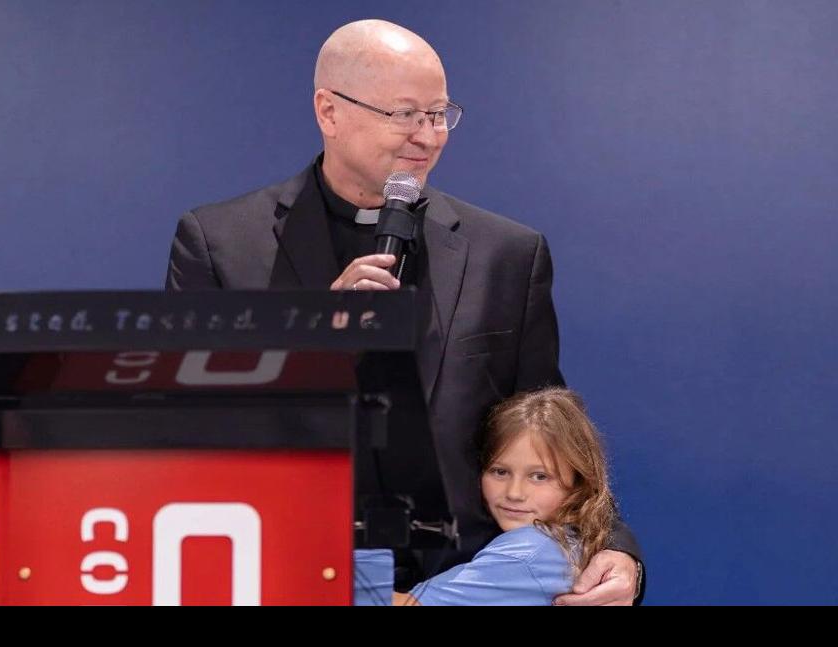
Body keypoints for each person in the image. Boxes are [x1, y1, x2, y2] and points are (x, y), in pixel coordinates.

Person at [165, 19, 642, 604]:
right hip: (294, 574)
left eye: (439, 114)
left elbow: (548, 430)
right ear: (329, 111)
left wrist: (614, 546)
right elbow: (189, 430)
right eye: (405, 114)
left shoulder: (507, 254)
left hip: (463, 584)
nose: (429, 136)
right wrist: (313, 345)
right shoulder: (221, 244)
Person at [354, 387, 625, 605]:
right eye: (500, 472)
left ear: (579, 482)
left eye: (539, 476)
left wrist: (352, 541)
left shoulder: (528, 553)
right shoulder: (567, 540)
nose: (514, 493)